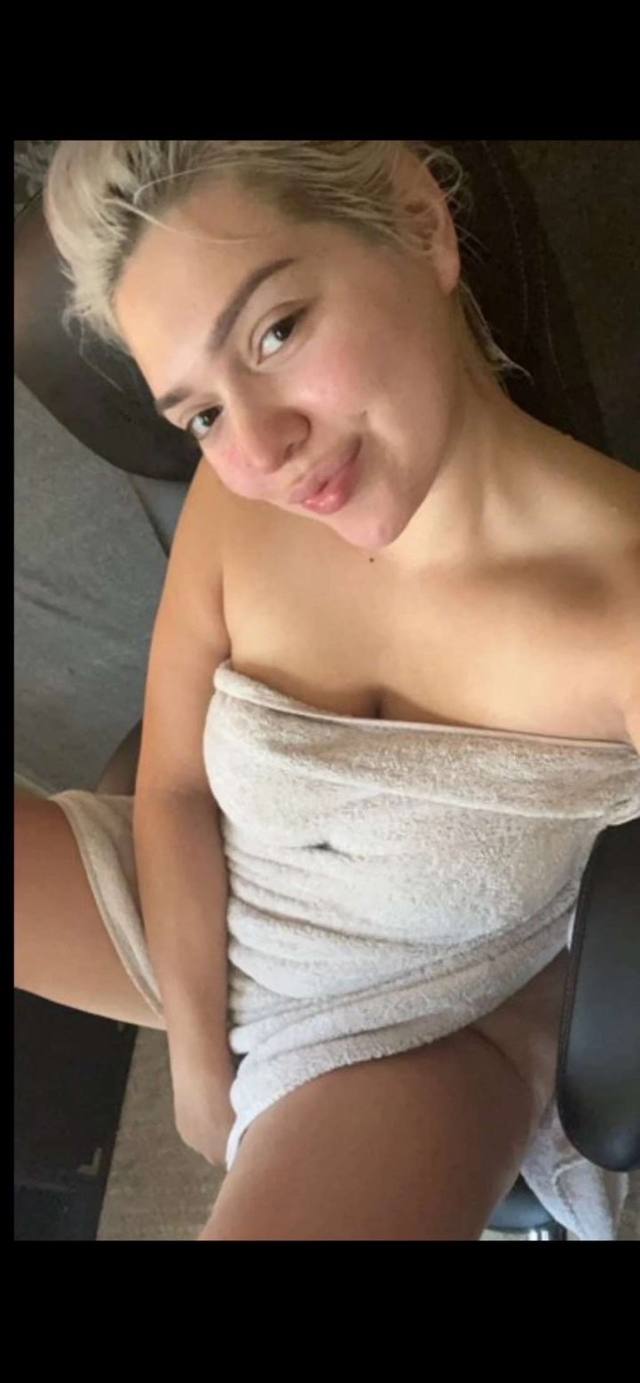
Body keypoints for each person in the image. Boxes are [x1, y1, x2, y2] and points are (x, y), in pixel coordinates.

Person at [15, 141, 640, 1240]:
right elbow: (174, 793)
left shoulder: (619, 608)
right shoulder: (239, 504)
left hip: (417, 1026)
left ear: (420, 222)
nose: (262, 449)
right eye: (201, 414)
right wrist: (198, 1064)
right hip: (207, 899)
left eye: (276, 331)